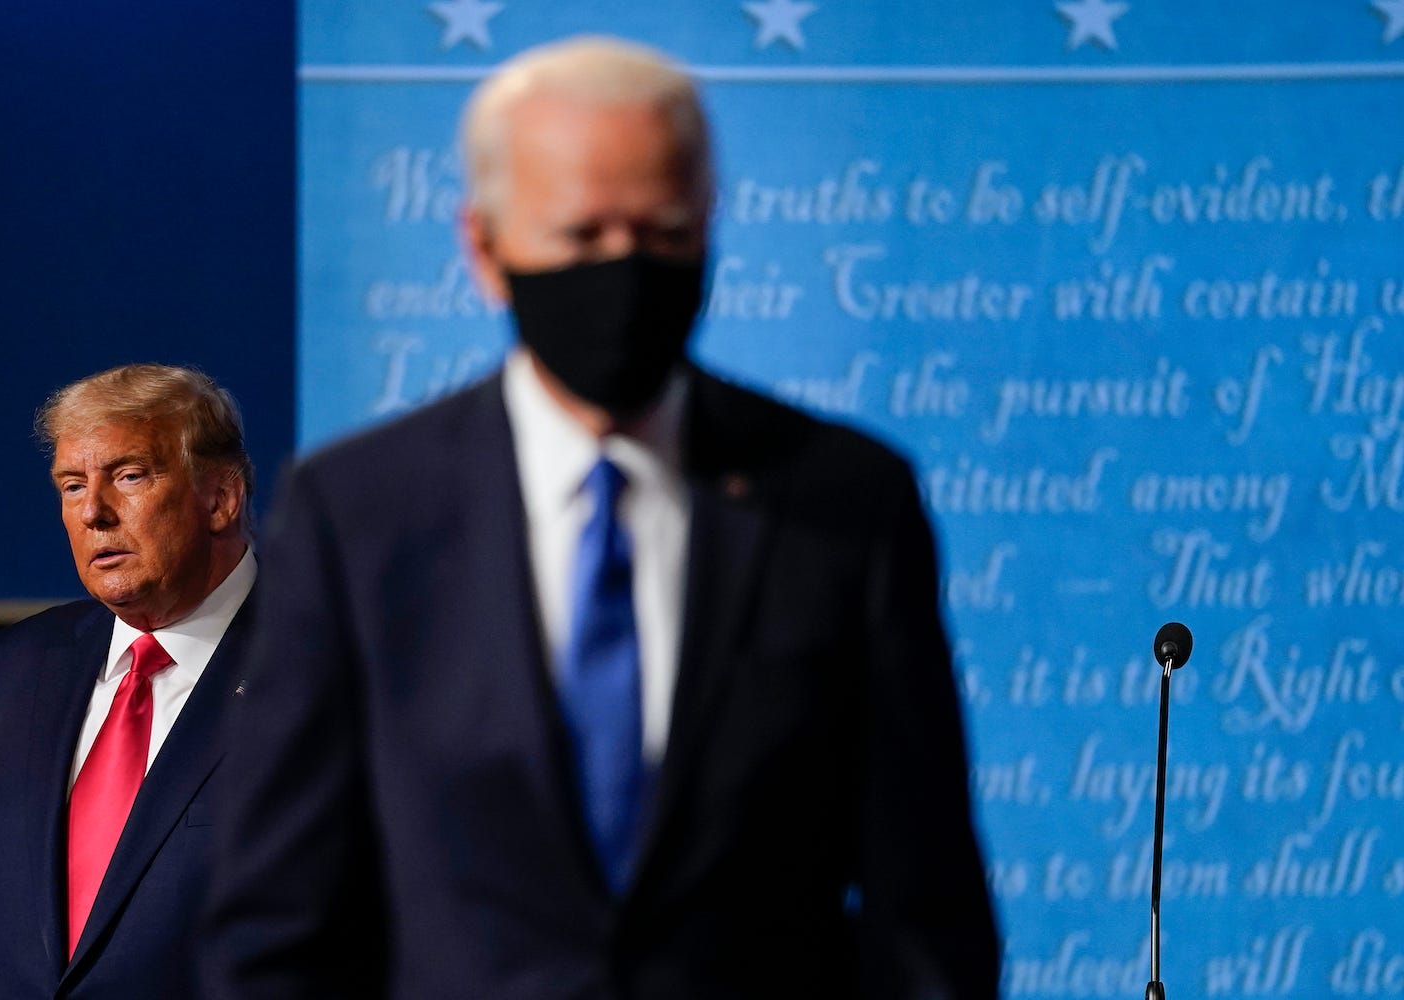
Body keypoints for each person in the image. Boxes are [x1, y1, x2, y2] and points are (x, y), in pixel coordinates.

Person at [207, 36, 1001, 999]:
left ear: (709, 225)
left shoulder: (843, 499)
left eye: (662, 236)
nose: (624, 271)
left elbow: (926, 910)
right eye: (582, 237)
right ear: (485, 248)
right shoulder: (361, 515)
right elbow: (275, 924)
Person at [0, 364, 258, 999]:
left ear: (221, 498)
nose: (94, 512)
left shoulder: (332, 667)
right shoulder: (11, 671)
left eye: (129, 476)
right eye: (72, 486)